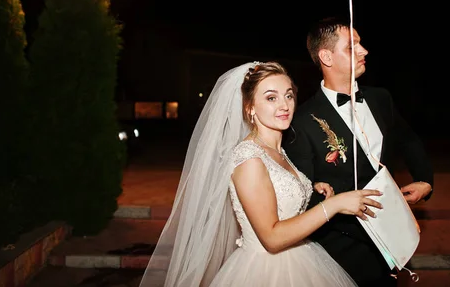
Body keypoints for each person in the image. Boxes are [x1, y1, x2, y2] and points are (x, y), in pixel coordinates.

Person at [139, 60, 384, 287]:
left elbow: (278, 195)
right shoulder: (248, 158)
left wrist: (310, 186)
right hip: (266, 270)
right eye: (271, 98)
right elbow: (272, 237)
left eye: (288, 95)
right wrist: (335, 205)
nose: (284, 105)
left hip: (303, 259)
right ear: (250, 108)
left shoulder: (277, 150)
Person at [283, 16, 434, 287]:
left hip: (391, 234)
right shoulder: (302, 120)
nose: (364, 51)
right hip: (341, 248)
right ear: (326, 57)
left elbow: (409, 140)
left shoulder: (380, 98)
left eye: (361, 44)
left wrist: (424, 180)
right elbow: (302, 194)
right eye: (352, 47)